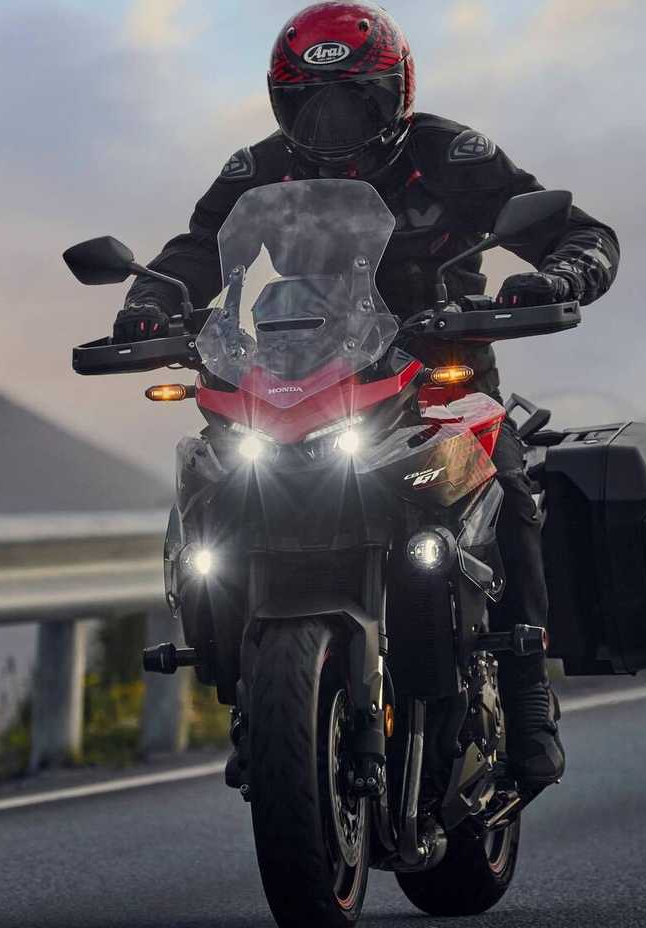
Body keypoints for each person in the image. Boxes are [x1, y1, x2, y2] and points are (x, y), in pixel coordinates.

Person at [113, 1, 619, 792]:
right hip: (302, 378)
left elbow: (580, 231)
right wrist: (153, 299)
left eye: (354, 101)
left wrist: (555, 276)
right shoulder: (261, 171)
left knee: (508, 475)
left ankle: (525, 697)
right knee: (213, 477)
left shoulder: (450, 155)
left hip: (436, 376)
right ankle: (251, 696)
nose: (332, 122)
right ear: (283, 102)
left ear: (395, 95)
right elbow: (197, 250)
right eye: (310, 103)